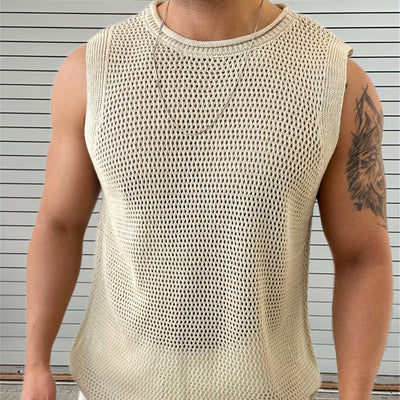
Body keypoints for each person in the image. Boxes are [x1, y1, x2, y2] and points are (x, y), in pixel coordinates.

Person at [20, 0, 393, 399]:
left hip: (265, 387)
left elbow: (362, 256)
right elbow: (59, 225)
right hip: (114, 384)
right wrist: (35, 364)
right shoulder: (92, 70)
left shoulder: (335, 79)